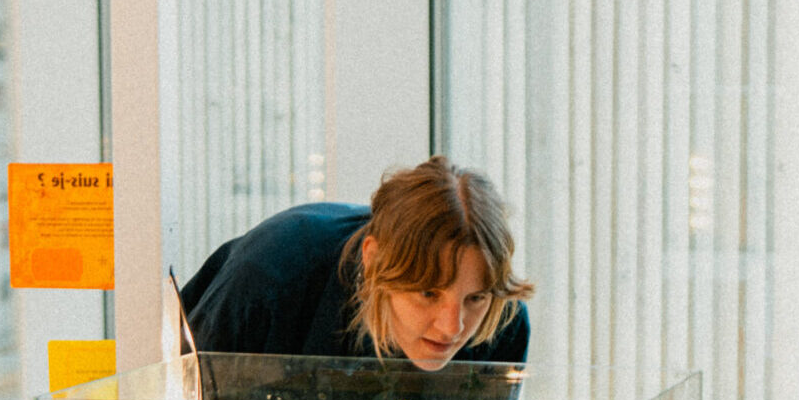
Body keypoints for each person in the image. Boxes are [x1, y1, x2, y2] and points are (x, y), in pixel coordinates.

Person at [178, 156, 535, 370]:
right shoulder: (270, 276)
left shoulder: (503, 322)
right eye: (428, 293)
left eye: (475, 298)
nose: (452, 328)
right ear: (373, 259)